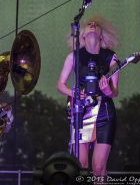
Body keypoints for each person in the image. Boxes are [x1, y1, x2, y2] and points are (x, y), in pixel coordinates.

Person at [57, 16, 119, 179]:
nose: (92, 25)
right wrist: (73, 93)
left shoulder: (111, 57)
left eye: (96, 25)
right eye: (89, 24)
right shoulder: (74, 56)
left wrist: (106, 90)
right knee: (81, 167)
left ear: (101, 35)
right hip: (81, 111)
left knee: (98, 168)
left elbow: (115, 92)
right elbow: (60, 85)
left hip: (104, 113)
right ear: (82, 35)